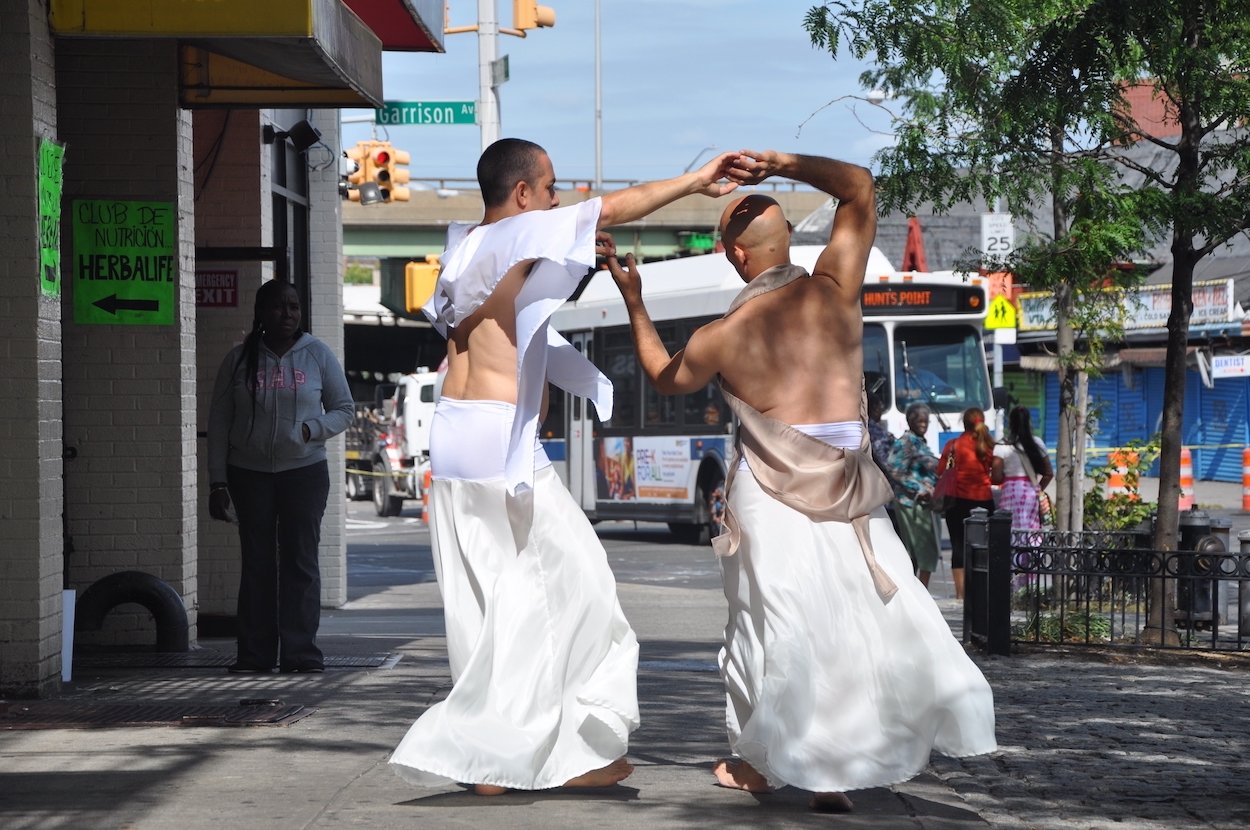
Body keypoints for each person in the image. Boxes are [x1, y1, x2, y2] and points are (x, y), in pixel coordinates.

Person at [607, 149, 996, 812]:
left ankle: (766, 762)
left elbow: (665, 376)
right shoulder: (835, 288)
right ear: (787, 242)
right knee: (852, 620)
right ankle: (831, 772)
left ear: (735, 257)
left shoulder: (723, 335)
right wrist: (782, 163)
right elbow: (860, 188)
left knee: (773, 625)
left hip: (771, 487)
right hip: (848, 483)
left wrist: (635, 302)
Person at [388, 138, 744, 795]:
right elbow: (614, 208)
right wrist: (695, 180)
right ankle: (567, 751)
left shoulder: (462, 248)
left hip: (456, 436)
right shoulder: (518, 230)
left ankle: (495, 758)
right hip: (500, 445)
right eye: (550, 188)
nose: (558, 200)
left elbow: (510, 326)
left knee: (490, 602)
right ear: (522, 193)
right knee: (583, 589)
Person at [207, 279, 354, 674]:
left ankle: (300, 654)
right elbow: (219, 424)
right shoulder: (238, 360)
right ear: (260, 312)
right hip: (248, 475)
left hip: (304, 473)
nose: (286, 314)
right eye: (277, 307)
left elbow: (344, 408)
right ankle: (253, 656)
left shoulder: (317, 355)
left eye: (293, 307)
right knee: (256, 564)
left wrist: (311, 429)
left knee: (300, 562)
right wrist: (217, 482)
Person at [937, 407, 997, 600]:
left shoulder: (953, 445)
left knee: (958, 547)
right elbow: (996, 474)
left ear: (964, 423)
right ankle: (981, 591)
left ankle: (961, 594)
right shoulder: (989, 445)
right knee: (983, 547)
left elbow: (940, 471)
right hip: (984, 501)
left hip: (957, 502)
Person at [888, 403, 942, 587]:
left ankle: (918, 592)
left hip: (924, 503)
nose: (923, 424)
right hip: (912, 503)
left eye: (925, 421)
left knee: (924, 552)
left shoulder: (919, 442)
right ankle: (918, 592)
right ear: (910, 421)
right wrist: (919, 489)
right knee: (921, 550)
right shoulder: (905, 442)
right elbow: (894, 470)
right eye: (919, 421)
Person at [992, 405, 1054, 531]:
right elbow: (1049, 473)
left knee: (1010, 531)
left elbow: (996, 478)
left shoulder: (1002, 445)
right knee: (1030, 531)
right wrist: (1038, 489)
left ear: (1011, 423)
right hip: (1031, 493)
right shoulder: (1037, 443)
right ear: (1028, 422)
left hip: (1010, 493)